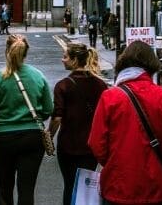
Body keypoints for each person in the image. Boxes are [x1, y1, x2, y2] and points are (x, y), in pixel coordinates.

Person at [88, 41, 162, 205]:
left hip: (117, 186)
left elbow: (96, 144)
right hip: (156, 188)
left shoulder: (110, 97)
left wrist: (115, 162)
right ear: (152, 66)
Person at [0, 34, 53, 205]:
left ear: (7, 51)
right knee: (27, 190)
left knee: (5, 189)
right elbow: (48, 110)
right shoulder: (38, 76)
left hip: (5, 138)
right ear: (26, 53)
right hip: (33, 138)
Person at [48, 42, 108, 205]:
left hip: (68, 145)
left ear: (75, 60)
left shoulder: (63, 86)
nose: (63, 60)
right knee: (85, 188)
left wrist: (49, 136)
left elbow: (57, 118)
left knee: (70, 185)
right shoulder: (101, 85)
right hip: (91, 146)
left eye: (65, 56)